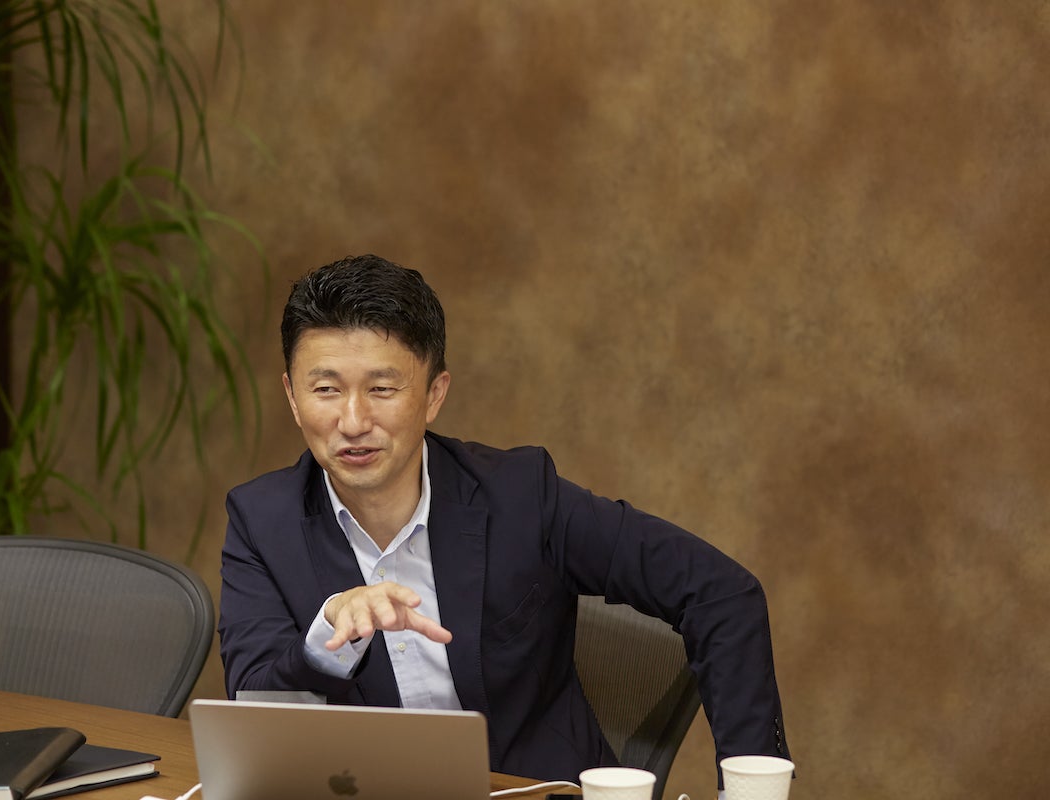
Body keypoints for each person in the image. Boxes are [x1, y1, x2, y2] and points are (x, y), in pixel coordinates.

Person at [218, 253, 792, 786]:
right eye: (325, 389)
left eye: (382, 388)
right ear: (292, 397)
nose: (352, 420)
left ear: (434, 394)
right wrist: (328, 638)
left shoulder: (521, 495)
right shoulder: (262, 522)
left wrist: (751, 792)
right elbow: (254, 706)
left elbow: (719, 593)